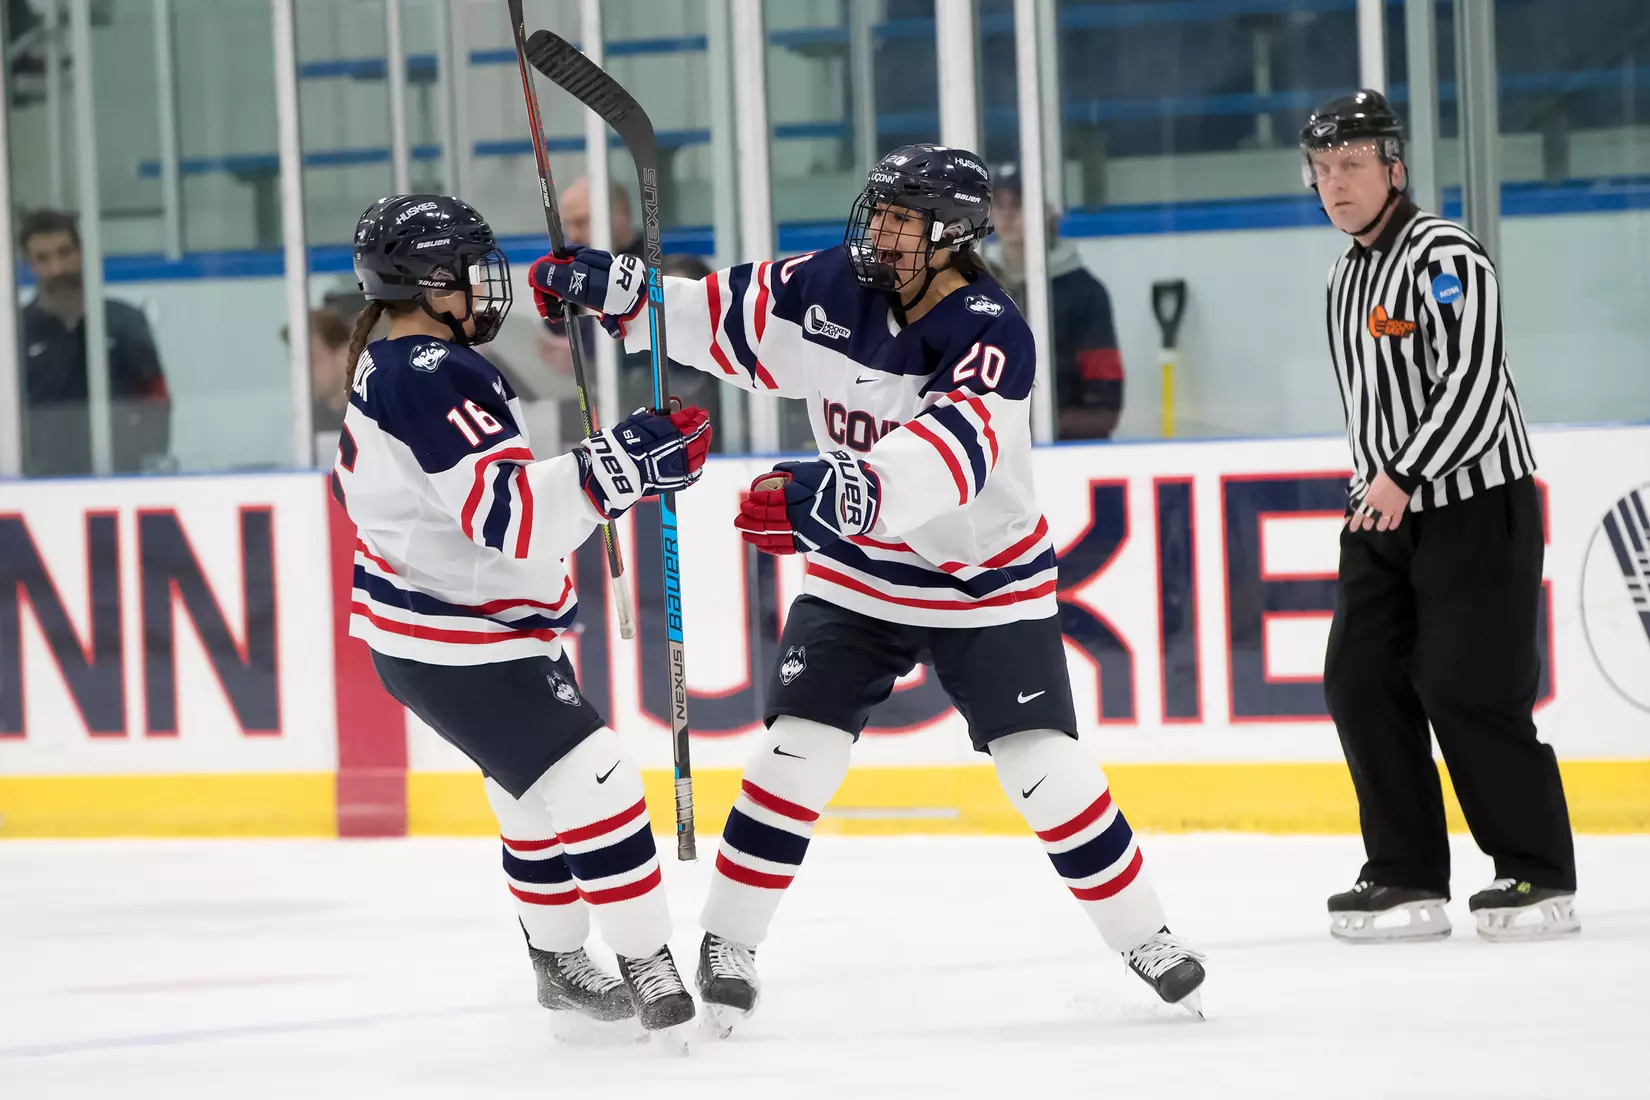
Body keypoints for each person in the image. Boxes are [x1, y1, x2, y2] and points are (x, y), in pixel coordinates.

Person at [528, 144, 1208, 1033]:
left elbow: (952, 454)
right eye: (879, 211)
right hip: (860, 575)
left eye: (903, 217)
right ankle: (727, 942)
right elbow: (722, 316)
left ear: (954, 233)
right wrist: (621, 292)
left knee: (1046, 768)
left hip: (983, 579)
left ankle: (1146, 937)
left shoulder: (991, 328)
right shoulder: (831, 285)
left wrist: (848, 488)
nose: (880, 231)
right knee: (793, 754)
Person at [333, 194, 712, 1035]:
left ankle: (558, 965)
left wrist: (608, 466)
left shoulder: (397, 359)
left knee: (530, 795)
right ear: (432, 284)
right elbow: (507, 519)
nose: (485, 285)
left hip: (447, 630)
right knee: (597, 781)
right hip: (459, 639)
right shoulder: (433, 374)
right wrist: (622, 465)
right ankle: (648, 966)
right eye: (470, 271)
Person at [1302, 91, 1578, 944]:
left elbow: (1474, 378)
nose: (1336, 184)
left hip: (1474, 506)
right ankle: (1403, 874)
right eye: (1322, 170)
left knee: (1468, 686)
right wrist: (1374, 485)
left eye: (1351, 164)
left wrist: (1405, 473)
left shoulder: (1444, 254)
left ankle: (1538, 873)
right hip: (1382, 512)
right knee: (1358, 680)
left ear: (1395, 168)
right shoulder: (1347, 276)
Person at [19, 209, 171, 476]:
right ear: (28, 265)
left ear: (80, 253)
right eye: (43, 259)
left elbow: (155, 399)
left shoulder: (125, 321)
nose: (57, 268)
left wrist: (148, 461)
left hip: (120, 477)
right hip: (41, 486)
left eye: (65, 253)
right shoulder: (16, 333)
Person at [986, 165, 1124, 440]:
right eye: (998, 205)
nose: (1008, 215)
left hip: (1067, 456)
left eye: (1019, 204)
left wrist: (1032, 427)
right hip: (993, 457)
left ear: (1047, 211)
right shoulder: (978, 288)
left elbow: (1104, 409)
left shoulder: (1085, 293)